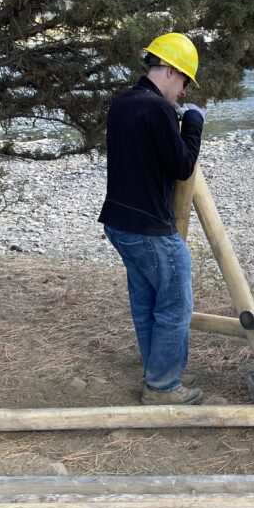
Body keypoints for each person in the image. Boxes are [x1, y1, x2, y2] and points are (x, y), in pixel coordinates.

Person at [99, 33, 206, 405]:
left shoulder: (123, 103)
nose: (184, 93)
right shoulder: (158, 110)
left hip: (118, 222)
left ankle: (157, 371)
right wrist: (193, 123)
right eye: (185, 84)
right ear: (173, 71)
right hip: (149, 227)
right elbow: (181, 166)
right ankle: (163, 386)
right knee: (176, 305)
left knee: (146, 302)